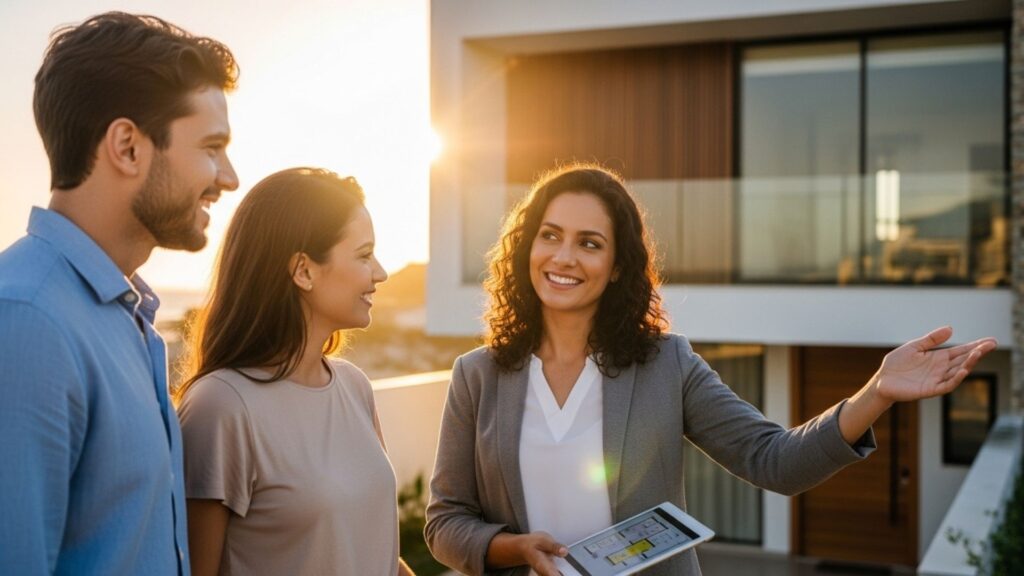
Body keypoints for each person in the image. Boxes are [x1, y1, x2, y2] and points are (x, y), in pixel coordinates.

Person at [424, 164, 997, 576]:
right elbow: (445, 524)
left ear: (619, 266)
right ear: (526, 247)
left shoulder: (666, 364)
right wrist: (514, 549)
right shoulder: (478, 376)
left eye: (589, 243)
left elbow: (776, 461)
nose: (564, 257)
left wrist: (876, 393)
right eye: (549, 236)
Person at [0, 12, 239, 574]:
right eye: (211, 146)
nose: (228, 176)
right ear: (127, 147)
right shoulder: (27, 322)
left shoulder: (127, 316)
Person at [176, 167, 415, 576]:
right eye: (363, 255)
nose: (380, 273)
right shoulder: (221, 408)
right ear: (303, 270)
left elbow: (373, 554)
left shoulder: (354, 386)